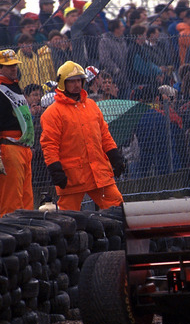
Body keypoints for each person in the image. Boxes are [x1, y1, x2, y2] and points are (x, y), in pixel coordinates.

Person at [39, 61, 125, 210]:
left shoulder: (92, 106)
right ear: (62, 83)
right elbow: (49, 145)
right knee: (68, 217)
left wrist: (115, 157)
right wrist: (55, 170)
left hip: (99, 173)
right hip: (73, 177)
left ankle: (117, 234)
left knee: (117, 206)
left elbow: (104, 135)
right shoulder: (52, 113)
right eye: (72, 81)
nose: (77, 84)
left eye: (79, 80)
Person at [0, 50, 35, 215]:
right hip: (8, 147)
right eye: (9, 66)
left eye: (15, 65)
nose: (14, 68)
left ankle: (27, 234)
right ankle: (8, 234)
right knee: (11, 200)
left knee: (26, 198)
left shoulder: (14, 86)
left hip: (23, 147)